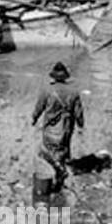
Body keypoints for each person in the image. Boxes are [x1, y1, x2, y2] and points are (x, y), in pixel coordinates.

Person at [31, 61, 84, 195]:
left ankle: (56, 175)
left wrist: (34, 118)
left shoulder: (47, 89)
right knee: (63, 153)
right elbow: (78, 112)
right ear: (65, 77)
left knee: (47, 153)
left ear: (53, 77)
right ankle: (60, 178)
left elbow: (39, 107)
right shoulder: (73, 91)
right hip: (65, 130)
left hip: (50, 130)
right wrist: (81, 125)